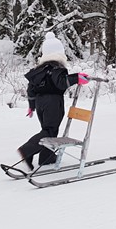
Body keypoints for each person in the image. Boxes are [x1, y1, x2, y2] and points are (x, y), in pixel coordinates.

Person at [17, 32, 89, 171]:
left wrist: (32, 106)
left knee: (49, 129)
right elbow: (61, 83)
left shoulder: (39, 70)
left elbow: (31, 89)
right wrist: (77, 78)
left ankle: (47, 157)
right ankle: (26, 151)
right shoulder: (57, 68)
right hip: (53, 102)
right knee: (49, 131)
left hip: (40, 102)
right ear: (59, 52)